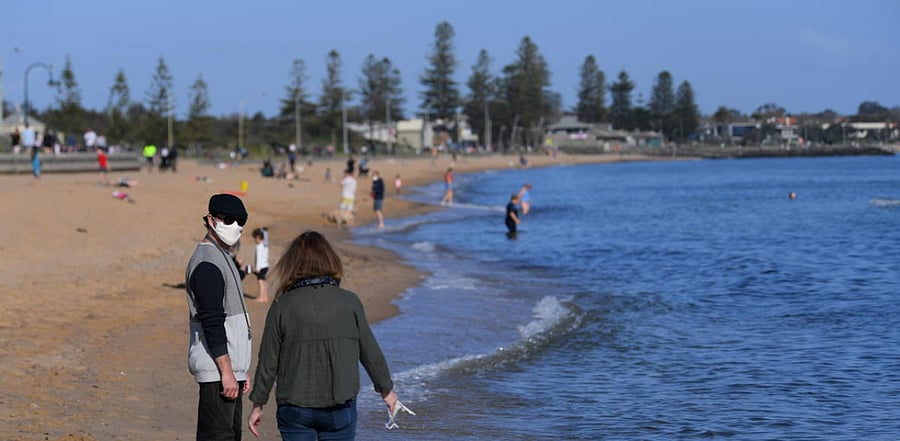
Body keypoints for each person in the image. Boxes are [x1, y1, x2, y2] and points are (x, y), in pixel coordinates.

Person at [247, 231, 400, 440]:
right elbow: (370, 352)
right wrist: (387, 391)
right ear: (330, 261)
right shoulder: (350, 302)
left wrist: (258, 403)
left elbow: (268, 360)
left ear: (292, 264)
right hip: (340, 406)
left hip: (294, 407)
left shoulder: (282, 305)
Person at [184, 194, 252, 441]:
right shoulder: (206, 262)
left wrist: (240, 369)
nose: (236, 226)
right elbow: (212, 321)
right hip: (217, 372)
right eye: (230, 220)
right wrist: (227, 371)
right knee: (217, 437)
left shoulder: (223, 256)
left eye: (241, 221)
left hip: (229, 370)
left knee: (230, 435)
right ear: (211, 220)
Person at [251, 227, 270, 302]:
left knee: (260, 281)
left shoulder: (259, 246)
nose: (255, 240)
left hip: (261, 266)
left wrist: (257, 268)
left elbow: (258, 258)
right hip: (266, 265)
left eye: (255, 238)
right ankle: (265, 297)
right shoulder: (265, 245)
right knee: (263, 281)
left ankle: (261, 297)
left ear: (258, 237)